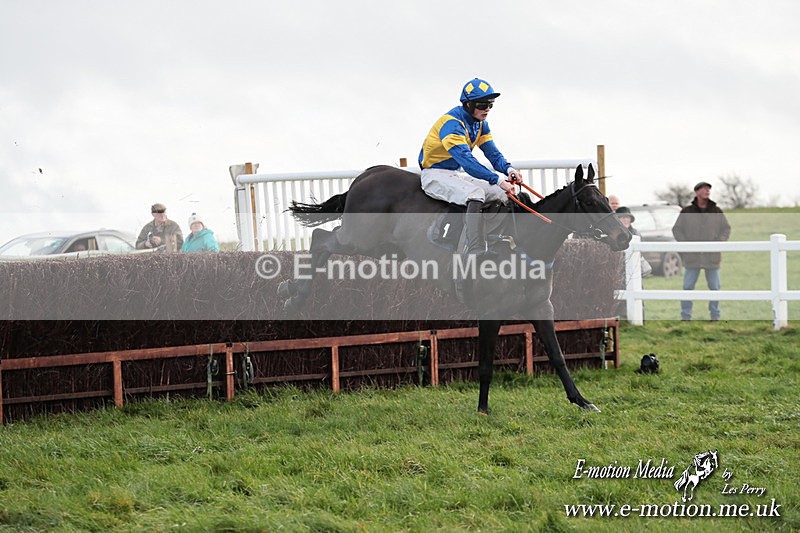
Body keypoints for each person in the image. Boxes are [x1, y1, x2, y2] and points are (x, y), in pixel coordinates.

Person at [418, 78, 522, 260]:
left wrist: (509, 169)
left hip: (454, 174)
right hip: (433, 174)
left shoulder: (480, 123)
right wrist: (497, 179)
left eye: (490, 104)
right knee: (476, 193)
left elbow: (492, 153)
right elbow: (468, 162)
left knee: (502, 194)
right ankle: (474, 248)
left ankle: (494, 240)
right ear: (468, 104)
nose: (487, 109)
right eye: (482, 104)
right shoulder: (452, 124)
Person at [672, 181, 731, 321]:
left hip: (712, 257)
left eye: (709, 189)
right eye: (704, 189)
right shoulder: (686, 212)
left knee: (714, 288)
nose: (707, 191)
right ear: (697, 192)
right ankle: (685, 317)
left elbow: (726, 229)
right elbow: (677, 230)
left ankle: (715, 316)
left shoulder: (716, 211)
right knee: (687, 288)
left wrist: (718, 243)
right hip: (692, 257)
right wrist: (686, 245)